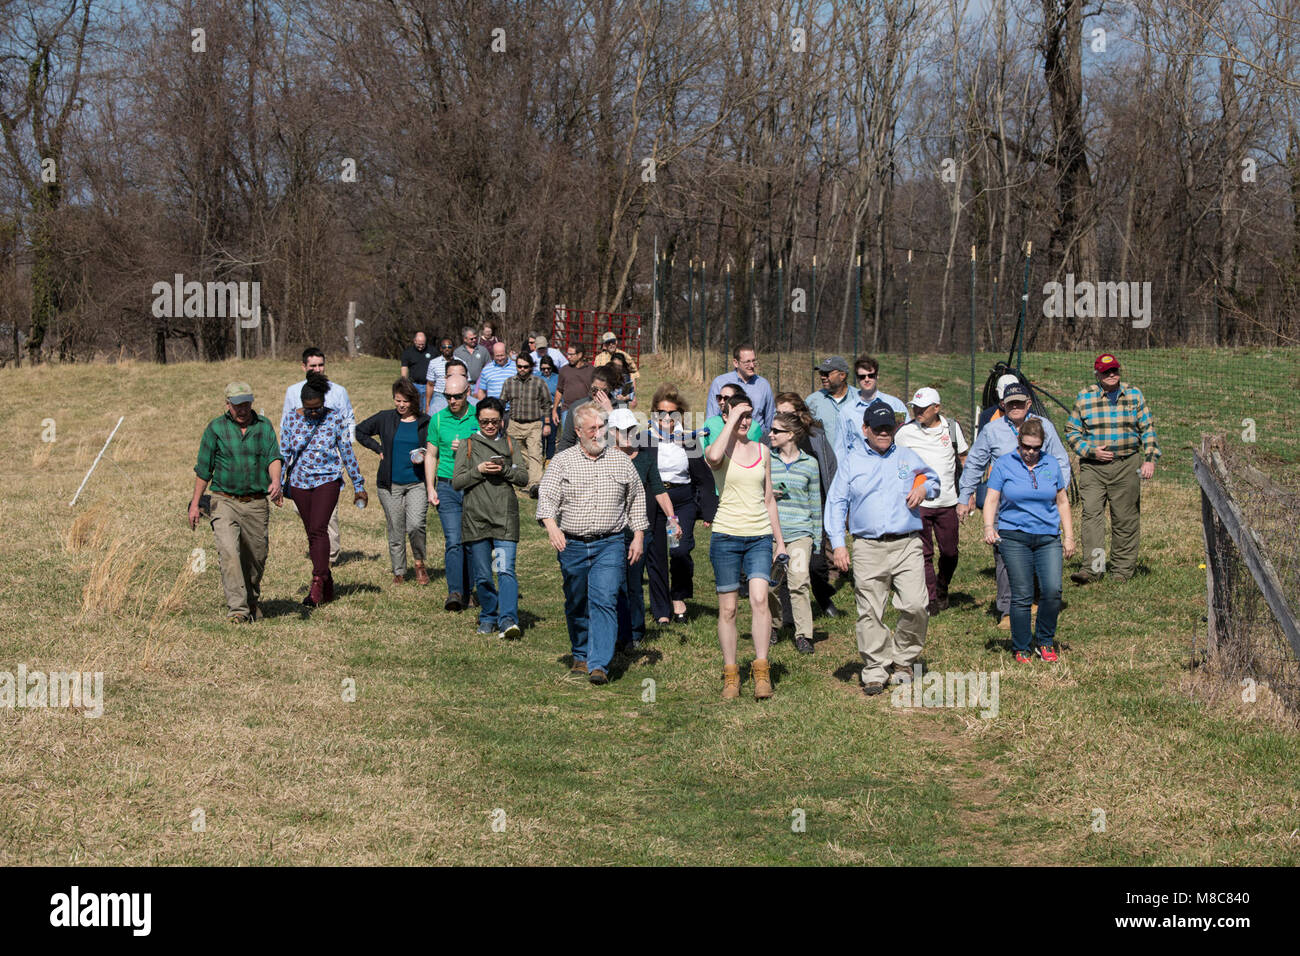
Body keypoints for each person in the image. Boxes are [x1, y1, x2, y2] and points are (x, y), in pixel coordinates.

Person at [826, 401, 939, 696]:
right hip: (868, 546)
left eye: (888, 427)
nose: (884, 432)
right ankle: (875, 669)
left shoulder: (907, 456)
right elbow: (836, 503)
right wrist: (838, 544)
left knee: (916, 605)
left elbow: (934, 479)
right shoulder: (851, 461)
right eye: (878, 428)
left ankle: (903, 660)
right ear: (865, 430)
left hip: (907, 543)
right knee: (870, 612)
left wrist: (924, 488)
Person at [536, 403, 648, 686]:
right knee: (577, 601)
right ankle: (581, 652)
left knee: (605, 598)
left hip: (610, 543)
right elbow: (546, 497)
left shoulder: (621, 461)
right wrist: (552, 527)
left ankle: (599, 663)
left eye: (602, 428)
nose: (599, 434)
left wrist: (638, 535)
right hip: (572, 544)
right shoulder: (562, 461)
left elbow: (636, 499)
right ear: (577, 431)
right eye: (592, 429)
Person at [958, 381, 1071, 628]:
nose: (1016, 406)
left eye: (1020, 402)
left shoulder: (1045, 427)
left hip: (1040, 502)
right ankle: (1008, 609)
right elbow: (976, 462)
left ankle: (1036, 599)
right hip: (1004, 502)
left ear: (1029, 403)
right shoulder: (992, 430)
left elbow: (1061, 460)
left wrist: (1057, 489)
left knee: (1040, 548)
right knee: (1004, 554)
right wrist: (965, 495)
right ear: (1003, 405)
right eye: (1011, 403)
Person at [705, 393, 787, 700]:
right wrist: (731, 416)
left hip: (759, 537)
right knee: (728, 609)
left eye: (749, 415)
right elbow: (712, 460)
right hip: (726, 536)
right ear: (726, 417)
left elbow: (768, 499)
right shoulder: (719, 449)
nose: (745, 420)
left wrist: (779, 541)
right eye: (739, 415)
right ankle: (731, 674)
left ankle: (762, 670)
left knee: (759, 600)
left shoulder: (763, 451)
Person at [189, 382, 284, 623]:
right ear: (227, 405)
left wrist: (276, 481)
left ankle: (251, 599)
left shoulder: (263, 427)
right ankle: (238, 610)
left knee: (256, 556)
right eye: (237, 405)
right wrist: (195, 503)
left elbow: (274, 456)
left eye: (246, 404)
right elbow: (203, 469)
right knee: (229, 553)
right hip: (224, 501)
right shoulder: (216, 428)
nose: (242, 409)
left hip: (255, 502)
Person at [983, 418, 1076, 662]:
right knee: (1022, 593)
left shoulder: (1051, 464)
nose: (1031, 453)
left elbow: (1062, 501)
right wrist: (988, 527)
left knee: (1053, 590)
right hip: (1014, 536)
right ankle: (1022, 645)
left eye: (1036, 448)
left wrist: (1069, 537)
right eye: (1026, 447)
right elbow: (992, 498)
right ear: (1019, 441)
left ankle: (1045, 641)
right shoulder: (1004, 464)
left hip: (1047, 536)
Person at [1065, 352, 1160, 584]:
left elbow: (1147, 428)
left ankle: (1122, 572)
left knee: (1125, 517)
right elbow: (1072, 431)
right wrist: (1091, 450)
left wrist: (1149, 458)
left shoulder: (1134, 395)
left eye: (1114, 370)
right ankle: (1093, 568)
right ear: (1097, 373)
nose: (1111, 375)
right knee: (1092, 516)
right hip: (1093, 468)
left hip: (1127, 464)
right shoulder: (1085, 397)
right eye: (1106, 372)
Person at [281, 371, 366, 608]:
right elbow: (284, 454)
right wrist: (277, 485)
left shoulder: (335, 418)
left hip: (327, 480)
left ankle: (317, 582)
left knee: (319, 529)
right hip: (299, 483)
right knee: (312, 532)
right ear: (302, 405)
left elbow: (347, 452)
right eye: (309, 409)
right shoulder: (290, 419)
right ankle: (327, 580)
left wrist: (358, 484)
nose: (314, 413)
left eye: (318, 407)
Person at [453, 397, 528, 638]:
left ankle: (507, 620)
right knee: (484, 574)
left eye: (494, 421)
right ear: (477, 420)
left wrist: (505, 470)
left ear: (501, 421)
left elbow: (523, 477)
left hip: (504, 516)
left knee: (506, 570)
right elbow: (457, 482)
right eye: (484, 421)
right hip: (476, 517)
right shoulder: (468, 444)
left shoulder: (510, 442)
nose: (489, 426)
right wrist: (479, 471)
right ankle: (488, 614)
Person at [645, 385, 718, 624]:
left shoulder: (688, 440)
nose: (667, 418)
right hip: (655, 502)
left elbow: (704, 478)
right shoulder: (645, 439)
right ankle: (661, 610)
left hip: (681, 502)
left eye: (672, 413)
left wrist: (708, 510)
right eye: (661, 413)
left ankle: (678, 596)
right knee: (656, 556)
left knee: (679, 550)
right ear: (654, 414)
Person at [608, 408, 678, 646]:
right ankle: (614, 629)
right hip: (611, 533)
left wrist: (672, 518)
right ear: (612, 432)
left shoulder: (645, 459)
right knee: (614, 584)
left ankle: (635, 633)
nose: (628, 434)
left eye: (631, 429)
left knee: (634, 584)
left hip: (638, 532)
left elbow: (659, 490)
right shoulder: (605, 457)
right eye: (622, 430)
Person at [895, 387, 969, 614]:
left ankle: (943, 585)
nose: (917, 411)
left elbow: (964, 459)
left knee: (950, 552)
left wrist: (968, 493)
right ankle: (932, 598)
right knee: (924, 553)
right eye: (914, 407)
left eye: (923, 408)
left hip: (947, 501)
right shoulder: (905, 432)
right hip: (918, 504)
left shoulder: (952, 429)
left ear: (936, 408)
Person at [281, 347, 355, 565]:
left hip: (328, 467)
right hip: (300, 469)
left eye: (320, 365)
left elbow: (349, 419)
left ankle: (329, 558)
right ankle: (319, 548)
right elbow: (286, 425)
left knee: (327, 515)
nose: (317, 369)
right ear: (303, 367)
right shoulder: (293, 392)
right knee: (303, 512)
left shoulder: (338, 391)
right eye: (312, 366)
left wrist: (343, 449)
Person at [356, 378, 431, 585]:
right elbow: (359, 431)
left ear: (413, 400)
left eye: (405, 401)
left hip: (417, 482)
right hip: (390, 485)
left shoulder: (425, 421)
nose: (400, 405)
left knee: (416, 525)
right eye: (397, 400)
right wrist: (378, 448)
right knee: (396, 527)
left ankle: (419, 563)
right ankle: (399, 570)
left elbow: (435, 447)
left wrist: (426, 454)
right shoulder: (385, 418)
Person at [774, 393, 841, 619]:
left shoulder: (816, 436)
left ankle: (823, 595)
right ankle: (789, 615)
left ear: (799, 413)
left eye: (787, 413)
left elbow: (830, 468)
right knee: (786, 564)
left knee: (815, 562)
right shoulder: (772, 438)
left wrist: (834, 501)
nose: (782, 417)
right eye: (778, 413)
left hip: (814, 504)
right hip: (784, 508)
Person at [767, 411, 822, 655]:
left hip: (800, 533)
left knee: (799, 582)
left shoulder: (810, 464)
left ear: (790, 435)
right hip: (769, 533)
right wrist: (766, 495)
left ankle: (804, 635)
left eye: (775, 431)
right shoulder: (766, 459)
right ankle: (772, 626)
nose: (770, 434)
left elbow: (815, 504)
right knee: (770, 585)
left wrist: (817, 539)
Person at [424, 373, 480, 611]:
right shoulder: (437, 420)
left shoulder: (480, 418)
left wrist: (470, 446)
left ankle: (470, 591)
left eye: (457, 396)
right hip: (447, 485)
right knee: (454, 541)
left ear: (468, 392)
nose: (452, 401)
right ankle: (455, 592)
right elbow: (431, 454)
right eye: (448, 396)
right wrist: (430, 487)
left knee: (473, 541)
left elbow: (492, 449)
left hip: (473, 485)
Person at [498, 350, 553, 496]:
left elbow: (547, 404)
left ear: (531, 367)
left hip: (534, 424)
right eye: (519, 366)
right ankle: (521, 479)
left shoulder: (539, 383)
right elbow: (502, 403)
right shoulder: (509, 382)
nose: (522, 369)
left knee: (535, 453)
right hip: (514, 423)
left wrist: (547, 423)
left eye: (525, 367)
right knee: (519, 455)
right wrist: (500, 421)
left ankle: (535, 485)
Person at [835, 355, 908, 459]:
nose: (867, 379)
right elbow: (840, 449)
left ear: (877, 376)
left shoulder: (895, 405)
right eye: (862, 376)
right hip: (860, 467)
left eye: (871, 375)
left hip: (891, 464)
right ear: (857, 379)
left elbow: (907, 436)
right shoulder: (846, 412)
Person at [704, 344, 774, 434]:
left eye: (754, 361)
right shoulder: (720, 383)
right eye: (747, 362)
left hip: (756, 439)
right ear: (736, 363)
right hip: (728, 438)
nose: (752, 365)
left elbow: (770, 417)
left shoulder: (763, 385)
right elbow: (712, 417)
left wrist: (766, 441)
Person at [556, 366, 625, 453]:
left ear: (610, 389)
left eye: (603, 391)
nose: (598, 394)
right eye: (594, 389)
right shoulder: (577, 407)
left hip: (610, 458)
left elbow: (625, 440)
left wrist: (610, 412)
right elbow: (567, 440)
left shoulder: (621, 407)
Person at [805, 355, 854, 453]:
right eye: (821, 373)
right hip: (826, 464)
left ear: (842, 375)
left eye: (826, 374)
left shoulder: (859, 399)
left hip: (854, 463)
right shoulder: (812, 401)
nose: (822, 377)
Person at [699, 383, 763, 450]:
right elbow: (701, 449)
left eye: (726, 398)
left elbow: (756, 451)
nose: (721, 402)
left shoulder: (754, 427)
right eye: (719, 398)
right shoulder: (710, 423)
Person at [400, 332, 434, 413]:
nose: (421, 346)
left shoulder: (433, 351)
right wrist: (404, 384)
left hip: (429, 385)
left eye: (423, 344)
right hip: (414, 386)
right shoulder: (407, 353)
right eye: (419, 344)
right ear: (414, 341)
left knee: (429, 410)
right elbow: (404, 369)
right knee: (415, 410)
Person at [538, 355, 560, 462]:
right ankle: (540, 456)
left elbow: (561, 393)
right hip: (540, 409)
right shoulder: (537, 377)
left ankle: (549, 458)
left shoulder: (557, 377)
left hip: (554, 408)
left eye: (548, 368)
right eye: (543, 369)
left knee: (552, 435)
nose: (546, 371)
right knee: (541, 434)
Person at [426, 337, 455, 414]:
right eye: (444, 347)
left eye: (449, 347)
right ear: (441, 349)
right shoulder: (433, 363)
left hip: (456, 396)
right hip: (439, 395)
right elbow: (430, 384)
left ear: (453, 348)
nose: (447, 349)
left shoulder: (461, 362)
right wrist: (427, 404)